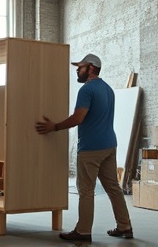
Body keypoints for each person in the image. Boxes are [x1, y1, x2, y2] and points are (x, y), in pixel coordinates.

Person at [34, 54, 133, 242]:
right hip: (110, 144)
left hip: (91, 148)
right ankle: (125, 226)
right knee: (113, 188)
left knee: (86, 190)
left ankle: (83, 231)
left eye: (80, 67)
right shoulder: (108, 89)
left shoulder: (87, 90)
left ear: (91, 68)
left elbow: (78, 118)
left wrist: (54, 127)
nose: (77, 70)